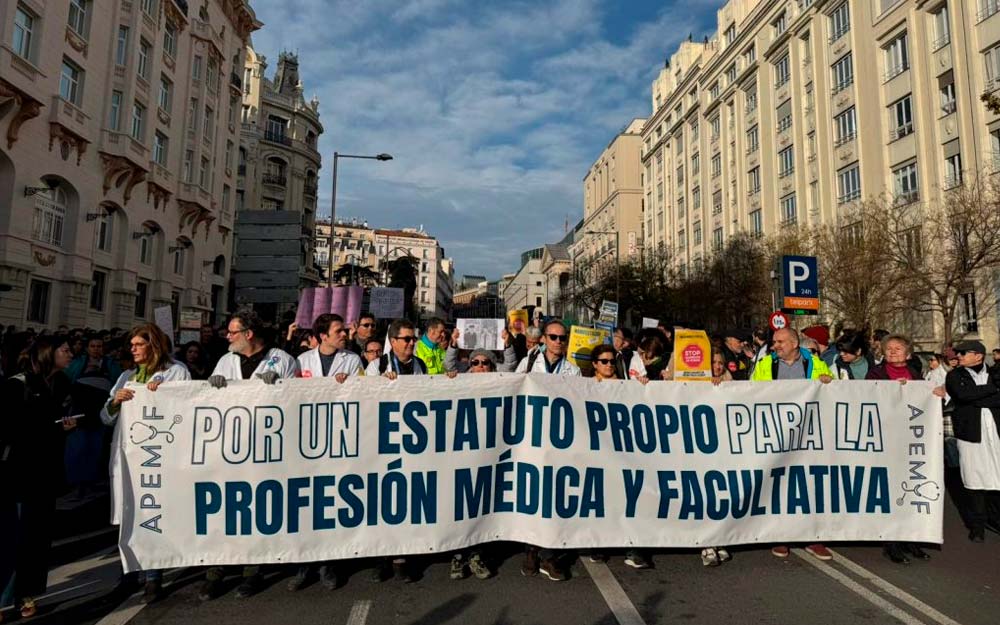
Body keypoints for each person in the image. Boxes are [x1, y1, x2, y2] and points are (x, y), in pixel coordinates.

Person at [201, 310, 299, 600]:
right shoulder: (226, 360)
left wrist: (280, 387)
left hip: (265, 449)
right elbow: (210, 400)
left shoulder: (282, 359)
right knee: (224, 509)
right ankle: (216, 570)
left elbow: (296, 400)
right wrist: (212, 388)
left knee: (256, 510)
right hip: (229, 448)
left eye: (233, 332)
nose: (228, 337)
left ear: (249, 334)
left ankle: (252, 571)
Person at [100, 324, 191, 602]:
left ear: (154, 345)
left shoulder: (176, 371)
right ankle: (129, 574)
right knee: (130, 514)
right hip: (129, 457)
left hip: (159, 455)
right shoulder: (126, 376)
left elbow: (187, 407)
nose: (133, 349)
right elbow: (105, 417)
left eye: (138, 344)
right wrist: (115, 402)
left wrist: (161, 395)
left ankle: (153, 577)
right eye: (131, 345)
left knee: (154, 514)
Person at [287, 314, 363, 593]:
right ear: (322, 336)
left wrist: (348, 385)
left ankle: (328, 564)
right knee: (306, 504)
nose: (344, 334)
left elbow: (364, 391)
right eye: (338, 331)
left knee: (330, 503)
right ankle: (304, 565)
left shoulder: (352, 360)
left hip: (338, 438)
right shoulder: (301, 361)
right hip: (306, 440)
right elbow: (289, 394)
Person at [0, 338, 75, 619]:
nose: (70, 354)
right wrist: (52, 429)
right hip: (18, 474)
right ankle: (3, 598)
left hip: (46, 474)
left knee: (37, 537)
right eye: (65, 350)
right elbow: (10, 429)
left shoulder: (61, 383)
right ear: (48, 353)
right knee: (12, 537)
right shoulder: (17, 384)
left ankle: (26, 594)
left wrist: (64, 427)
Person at [751, 328, 834, 560]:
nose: (775, 346)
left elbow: (833, 391)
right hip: (777, 433)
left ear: (795, 343)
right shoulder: (765, 365)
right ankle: (781, 536)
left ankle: (813, 538)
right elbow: (751, 392)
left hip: (808, 434)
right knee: (780, 484)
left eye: (780, 342)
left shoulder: (816, 364)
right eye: (774, 342)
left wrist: (828, 382)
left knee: (810, 483)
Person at [867, 334, 944, 563]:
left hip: (911, 439)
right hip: (886, 438)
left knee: (910, 488)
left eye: (898, 348)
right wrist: (891, 390)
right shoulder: (875, 374)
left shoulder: (916, 375)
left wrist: (936, 394)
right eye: (888, 348)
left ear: (908, 354)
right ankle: (891, 543)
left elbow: (924, 401)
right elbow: (866, 397)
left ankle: (911, 539)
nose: (892, 352)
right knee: (891, 489)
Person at [515, 320, 579, 581]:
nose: (558, 342)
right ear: (543, 338)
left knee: (555, 497)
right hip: (531, 439)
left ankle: (550, 555)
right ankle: (531, 551)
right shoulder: (528, 363)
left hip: (559, 441)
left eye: (562, 338)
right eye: (553, 337)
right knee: (533, 496)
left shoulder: (573, 370)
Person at [365, 319, 426, 581]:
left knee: (404, 501)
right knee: (382, 500)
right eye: (406, 339)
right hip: (382, 442)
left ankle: (402, 557)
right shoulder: (377, 366)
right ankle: (382, 558)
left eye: (413, 339)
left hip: (411, 443)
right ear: (393, 341)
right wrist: (381, 383)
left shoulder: (420, 365)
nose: (412, 343)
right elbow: (363, 397)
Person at [587, 344, 653, 569]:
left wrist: (643, 386)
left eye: (611, 361)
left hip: (623, 451)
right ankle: (599, 545)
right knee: (602, 498)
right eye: (603, 361)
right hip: (597, 451)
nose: (608, 365)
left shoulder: (627, 385)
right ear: (595, 364)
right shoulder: (584, 386)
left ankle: (632, 548)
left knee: (628, 498)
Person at [447, 348, 497, 581]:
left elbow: (510, 365)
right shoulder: (458, 383)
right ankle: (457, 555)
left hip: (486, 455)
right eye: (475, 362)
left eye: (485, 363)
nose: (480, 366)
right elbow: (449, 365)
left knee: (479, 506)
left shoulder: (500, 385)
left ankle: (476, 555)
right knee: (458, 505)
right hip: (459, 454)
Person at [945, 340, 1000, 543]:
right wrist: (992, 390)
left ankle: (995, 519)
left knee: (997, 476)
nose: (958, 356)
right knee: (974, 478)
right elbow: (962, 395)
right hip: (970, 434)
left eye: (963, 353)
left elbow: (977, 397)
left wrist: (975, 396)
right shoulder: (954, 376)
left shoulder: (994, 372)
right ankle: (977, 526)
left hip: (995, 434)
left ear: (978, 355)